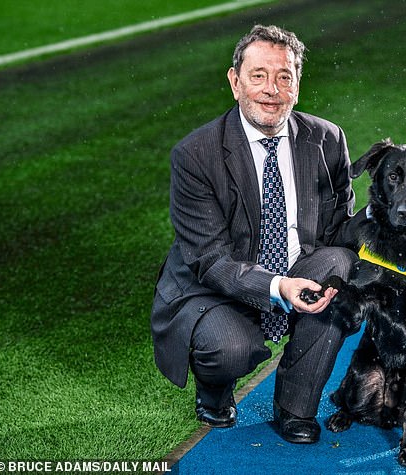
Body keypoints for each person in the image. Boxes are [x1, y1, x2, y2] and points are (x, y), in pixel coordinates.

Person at [150, 24, 362, 444]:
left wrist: (385, 216)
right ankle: (214, 390)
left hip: (300, 265)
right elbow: (210, 260)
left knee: (339, 263)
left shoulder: (327, 139)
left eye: (284, 77)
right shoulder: (195, 155)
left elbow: (341, 230)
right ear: (235, 82)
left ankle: (296, 408)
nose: (271, 89)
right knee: (233, 348)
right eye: (258, 75)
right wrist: (279, 286)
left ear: (297, 87)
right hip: (214, 287)